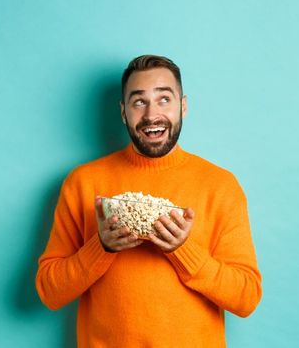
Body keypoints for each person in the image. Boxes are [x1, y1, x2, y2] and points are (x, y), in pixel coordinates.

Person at [35, 54, 262, 347]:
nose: (151, 115)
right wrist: (100, 247)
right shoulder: (83, 182)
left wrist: (183, 250)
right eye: (139, 101)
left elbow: (246, 298)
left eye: (164, 99)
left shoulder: (220, 185)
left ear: (183, 106)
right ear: (123, 111)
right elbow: (49, 292)